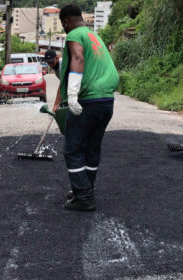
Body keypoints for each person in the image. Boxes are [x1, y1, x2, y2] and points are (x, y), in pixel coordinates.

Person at [59, 4, 119, 211]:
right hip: (106, 101)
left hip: (89, 101)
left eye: (64, 24)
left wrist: (73, 94)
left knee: (72, 149)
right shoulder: (95, 36)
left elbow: (78, 57)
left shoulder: (74, 34)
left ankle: (84, 197)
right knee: (92, 148)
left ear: (66, 21)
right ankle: (85, 189)